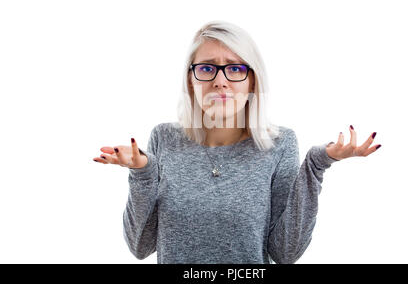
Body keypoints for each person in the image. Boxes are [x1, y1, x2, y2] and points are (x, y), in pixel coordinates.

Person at [93, 20, 381, 264]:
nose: (220, 81)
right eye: (206, 69)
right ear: (190, 81)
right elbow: (140, 247)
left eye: (235, 69)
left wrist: (316, 165)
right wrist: (142, 174)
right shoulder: (164, 139)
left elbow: (284, 252)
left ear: (252, 81)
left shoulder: (279, 145)